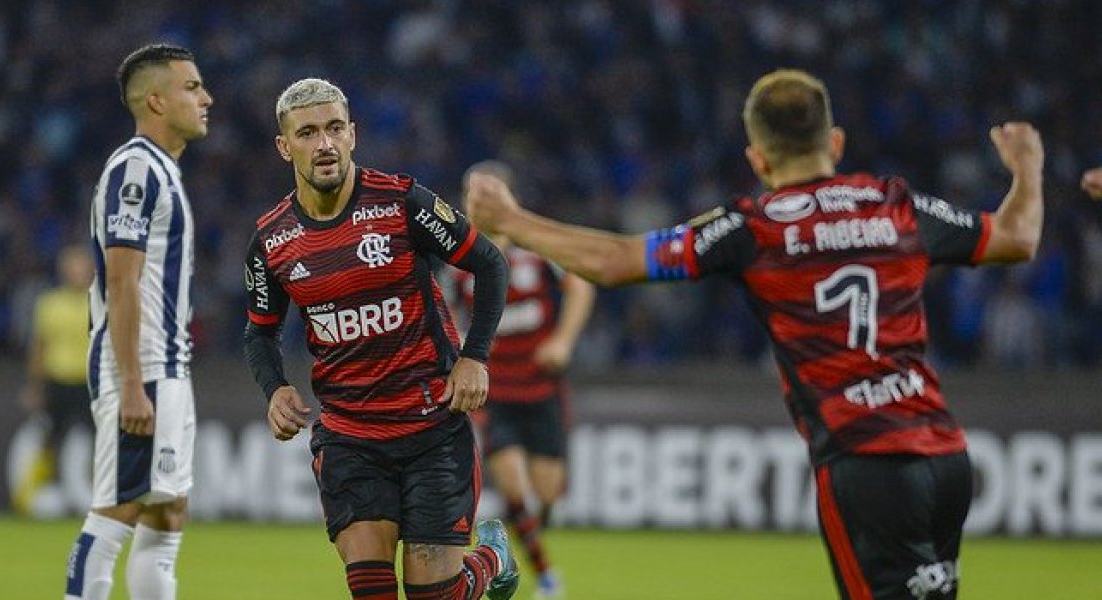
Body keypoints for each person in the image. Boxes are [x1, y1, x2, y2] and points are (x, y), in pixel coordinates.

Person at [466, 69, 1044, 600]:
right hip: (945, 455)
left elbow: (615, 261)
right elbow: (1016, 237)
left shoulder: (754, 226)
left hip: (866, 463)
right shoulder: (897, 206)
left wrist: (513, 221)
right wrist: (1027, 168)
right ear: (835, 143)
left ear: (758, 159)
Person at [241, 77, 519, 600]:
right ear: (284, 146)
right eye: (307, 133)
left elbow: (490, 263)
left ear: (353, 135)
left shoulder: (401, 203)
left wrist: (474, 356)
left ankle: (491, 559)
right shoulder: (271, 242)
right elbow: (259, 334)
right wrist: (275, 388)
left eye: (334, 128)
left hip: (431, 425)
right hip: (350, 436)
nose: (323, 143)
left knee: (431, 596)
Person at [63, 43, 212, 600]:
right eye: (192, 87)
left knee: (167, 512)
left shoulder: (163, 172)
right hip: (143, 368)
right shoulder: (135, 170)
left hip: (164, 367)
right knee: (116, 510)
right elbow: (122, 280)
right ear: (155, 99)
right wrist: (131, 384)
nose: (206, 98)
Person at [448, 161, 595, 600]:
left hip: (542, 387)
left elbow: (582, 285)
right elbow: (447, 317)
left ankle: (525, 535)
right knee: (511, 483)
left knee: (547, 492)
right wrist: (460, 348)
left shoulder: (536, 249)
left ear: (508, 197)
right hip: (493, 392)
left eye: (488, 191)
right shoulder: (456, 261)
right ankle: (546, 576)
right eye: (472, 193)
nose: (479, 201)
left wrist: (564, 341)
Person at [13, 243, 95, 516]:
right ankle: (30, 496)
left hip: (90, 382)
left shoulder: (100, 301)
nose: (77, 272)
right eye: (72, 267)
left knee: (103, 443)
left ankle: (104, 498)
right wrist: (34, 386)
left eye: (81, 267)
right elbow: (40, 346)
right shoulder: (50, 303)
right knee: (48, 440)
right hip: (57, 380)